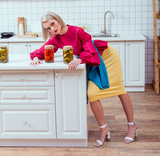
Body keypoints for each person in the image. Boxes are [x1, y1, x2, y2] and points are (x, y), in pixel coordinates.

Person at [30, 11, 137, 147]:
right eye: (48, 28)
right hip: (90, 60)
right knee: (92, 94)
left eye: (52, 24)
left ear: (57, 19)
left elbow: (90, 49)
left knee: (119, 89)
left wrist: (80, 59)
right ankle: (104, 128)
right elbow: (42, 50)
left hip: (105, 56)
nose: (52, 29)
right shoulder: (56, 38)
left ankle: (132, 126)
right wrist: (35, 58)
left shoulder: (77, 31)